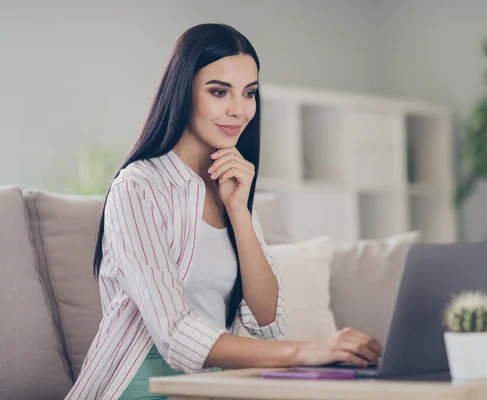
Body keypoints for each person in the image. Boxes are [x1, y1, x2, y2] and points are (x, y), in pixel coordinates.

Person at [65, 23, 382, 400]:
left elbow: (268, 321)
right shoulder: (138, 187)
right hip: (136, 387)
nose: (239, 110)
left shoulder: (231, 186)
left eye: (249, 93)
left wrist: (239, 211)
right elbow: (175, 334)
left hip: (208, 388)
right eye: (219, 92)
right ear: (183, 93)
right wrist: (309, 350)